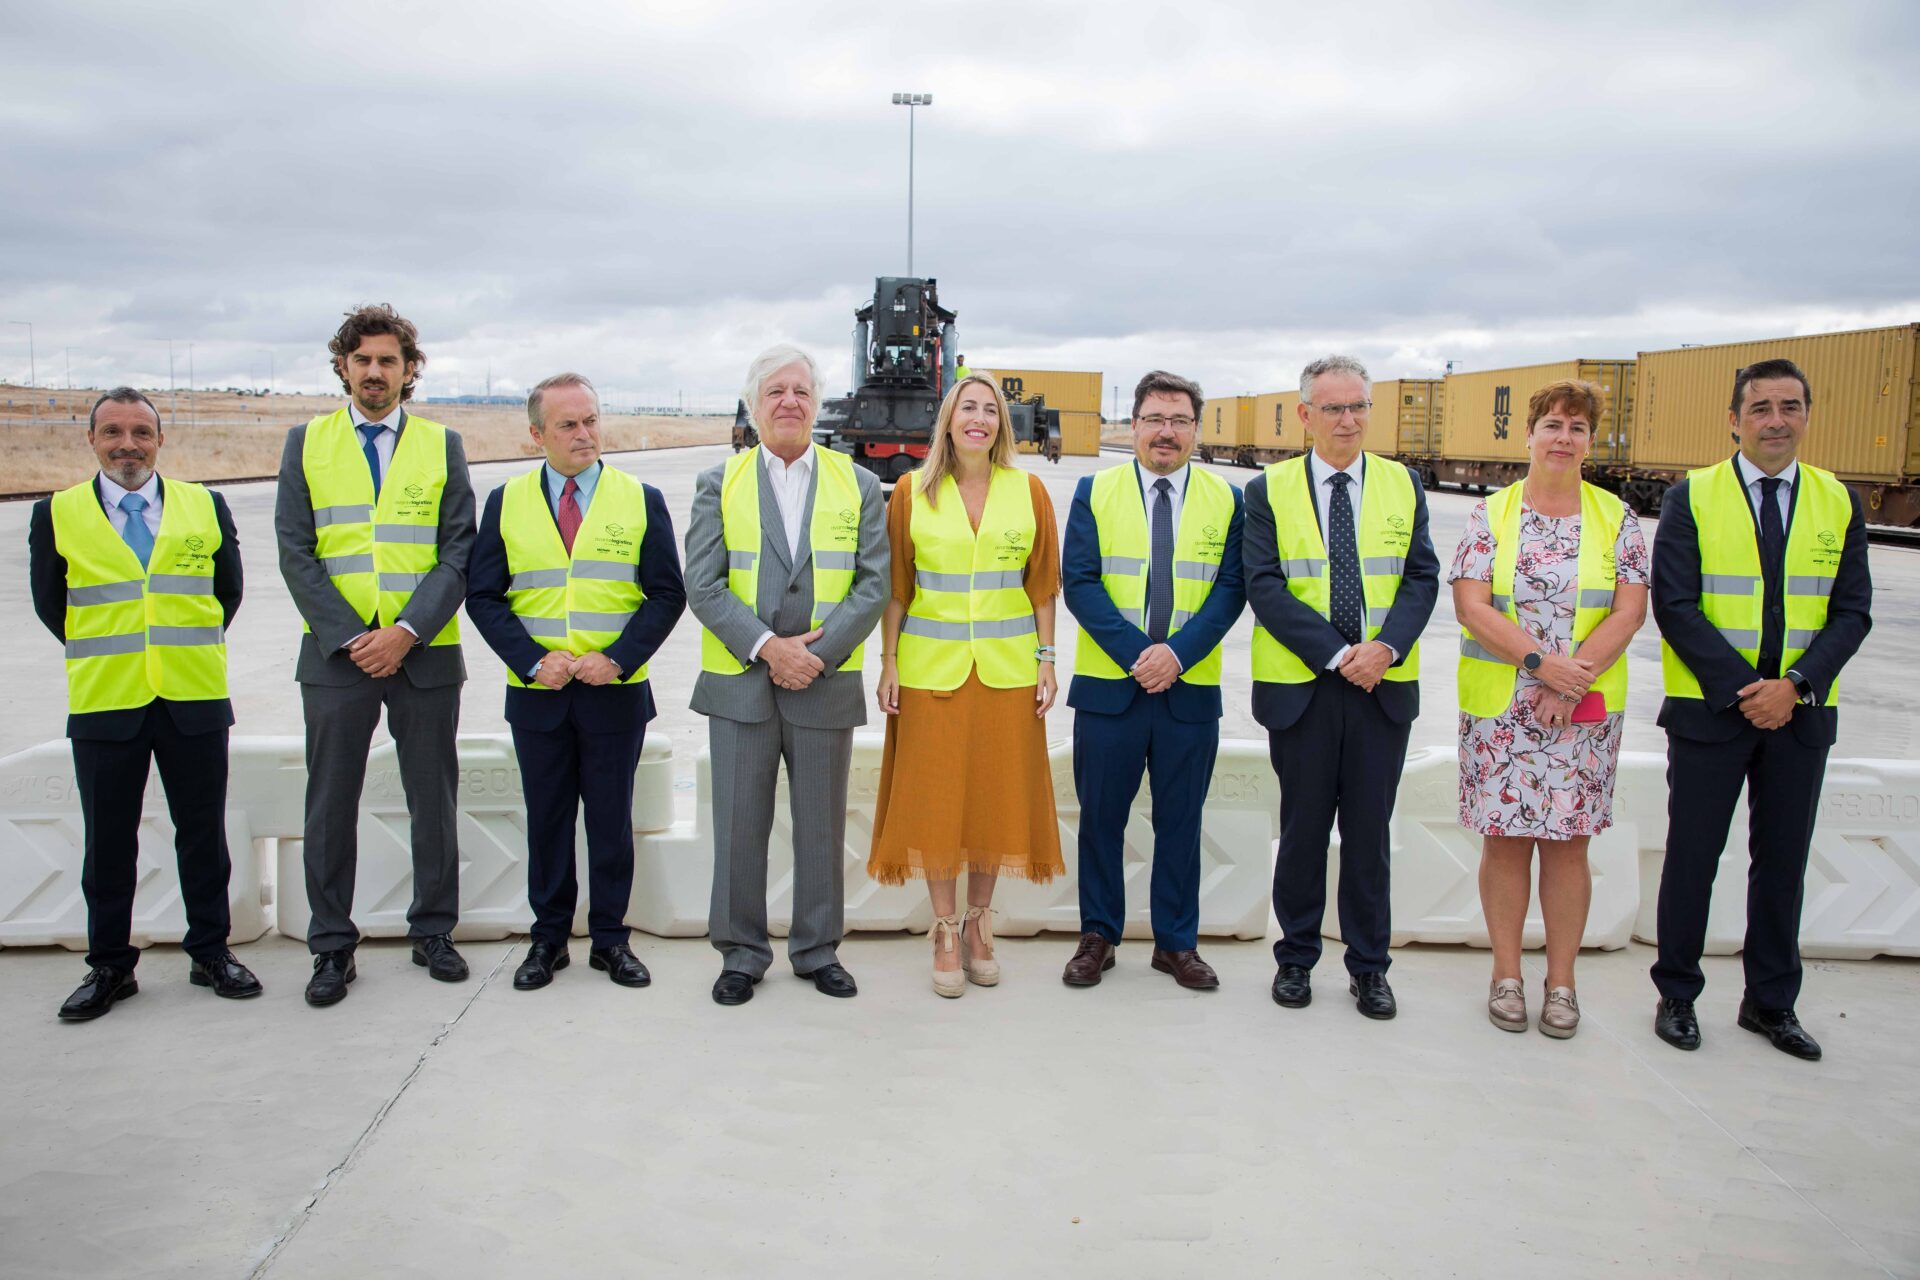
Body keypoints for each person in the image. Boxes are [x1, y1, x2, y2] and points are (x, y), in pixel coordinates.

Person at [1650, 358, 1872, 1060]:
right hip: (1710, 713)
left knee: (1781, 863)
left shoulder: (1838, 499)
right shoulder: (1694, 496)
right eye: (1762, 408)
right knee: (1693, 858)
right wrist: (1749, 689)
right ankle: (1678, 995)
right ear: (1734, 419)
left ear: (1806, 414)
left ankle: (1771, 1003)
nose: (1776, 420)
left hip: (1799, 718)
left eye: (1790, 406)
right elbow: (1675, 604)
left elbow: (1853, 610)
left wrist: (1796, 685)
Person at [29, 388, 261, 1019]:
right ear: (93, 441)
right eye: (112, 432)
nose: (126, 445)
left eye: (140, 432)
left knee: (202, 834)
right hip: (107, 700)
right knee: (107, 842)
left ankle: (211, 952)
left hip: (193, 696)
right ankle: (109, 967)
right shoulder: (58, 512)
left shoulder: (204, 505)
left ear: (160, 441)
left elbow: (226, 593)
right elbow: (53, 605)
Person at [275, 304, 475, 1007]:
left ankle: (434, 932)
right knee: (330, 803)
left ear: (409, 369)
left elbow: (459, 551)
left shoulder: (440, 446)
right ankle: (331, 946)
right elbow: (296, 552)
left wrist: (406, 631)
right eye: (362, 360)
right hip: (337, 658)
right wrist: (354, 636)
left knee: (433, 800)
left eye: (389, 360)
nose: (375, 372)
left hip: (423, 655)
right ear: (342, 366)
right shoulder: (306, 443)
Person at [465, 373, 685, 992]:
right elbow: (483, 596)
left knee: (611, 825)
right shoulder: (505, 501)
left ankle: (612, 940)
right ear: (537, 434)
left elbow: (667, 594)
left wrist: (617, 657)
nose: (585, 434)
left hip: (614, 695)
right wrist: (533, 661)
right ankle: (549, 940)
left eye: (591, 420)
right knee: (548, 822)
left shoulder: (639, 498)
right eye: (568, 424)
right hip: (539, 699)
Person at [685, 345, 889, 1006]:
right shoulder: (720, 482)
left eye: (801, 391)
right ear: (753, 405)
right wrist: (771, 647)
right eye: (775, 391)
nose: (789, 403)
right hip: (743, 683)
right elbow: (704, 585)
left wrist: (815, 656)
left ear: (816, 402)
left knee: (822, 825)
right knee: (740, 826)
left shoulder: (855, 482)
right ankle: (741, 953)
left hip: (823, 684)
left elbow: (873, 582)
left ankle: (817, 948)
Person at [1450, 380, 1649, 1038]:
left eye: (1578, 428)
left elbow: (1629, 610)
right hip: (1504, 712)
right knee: (1505, 845)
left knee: (1568, 848)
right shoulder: (1492, 515)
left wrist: (1573, 681)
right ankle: (1506, 975)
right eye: (1553, 425)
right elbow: (1472, 605)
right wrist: (1541, 666)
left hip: (1582, 715)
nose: (1564, 438)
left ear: (1591, 441)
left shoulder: (1616, 518)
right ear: (1529, 434)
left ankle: (1561, 983)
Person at [1245, 355, 1439, 1019]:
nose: (1348, 419)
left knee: (1368, 834)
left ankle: (1369, 968)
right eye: (1333, 408)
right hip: (1304, 688)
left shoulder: (1403, 484)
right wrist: (1336, 655)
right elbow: (1264, 586)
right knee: (1301, 831)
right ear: (1306, 416)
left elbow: (1420, 578)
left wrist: (1384, 649)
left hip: (1381, 687)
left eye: (1357, 406)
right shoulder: (1267, 489)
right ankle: (1295, 959)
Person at [868, 375, 1064, 997]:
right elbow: (897, 587)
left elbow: (1042, 587)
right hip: (932, 674)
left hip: (1006, 673)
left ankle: (981, 925)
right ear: (947, 421)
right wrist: (889, 661)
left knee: (991, 800)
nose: (977, 419)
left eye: (989, 410)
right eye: (966, 408)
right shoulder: (909, 492)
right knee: (936, 801)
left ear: (1002, 424)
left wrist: (1048, 659)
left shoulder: (1028, 491)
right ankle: (945, 929)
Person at [1059, 370, 1246, 990]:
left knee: (1181, 820)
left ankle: (1175, 943)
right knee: (1101, 818)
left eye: (1180, 421)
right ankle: (1098, 935)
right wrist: (1143, 655)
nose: (1167, 432)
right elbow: (1081, 583)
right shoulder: (1095, 489)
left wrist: (1178, 657)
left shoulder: (1228, 499)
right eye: (1155, 419)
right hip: (1111, 690)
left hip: (1188, 692)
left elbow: (1230, 590)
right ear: (1134, 424)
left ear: (1196, 429)